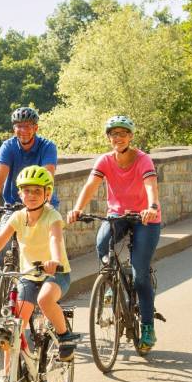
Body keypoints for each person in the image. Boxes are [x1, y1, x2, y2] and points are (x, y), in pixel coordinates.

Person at [66, 115, 163, 352]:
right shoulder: (106, 161)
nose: (117, 138)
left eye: (122, 134)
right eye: (113, 134)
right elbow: (90, 185)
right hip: (118, 216)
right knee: (102, 243)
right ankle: (111, 282)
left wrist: (152, 207)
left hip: (145, 219)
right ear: (109, 138)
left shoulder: (143, 160)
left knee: (140, 276)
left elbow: (150, 186)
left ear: (130, 136)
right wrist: (78, 208)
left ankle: (148, 327)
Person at [0, 166, 79, 362]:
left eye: (37, 190)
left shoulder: (52, 216)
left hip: (55, 274)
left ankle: (64, 337)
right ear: (20, 194)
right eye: (27, 190)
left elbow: (55, 238)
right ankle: (6, 377)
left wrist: (54, 260)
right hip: (28, 276)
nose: (32, 195)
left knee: (45, 300)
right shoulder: (18, 216)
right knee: (15, 325)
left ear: (47, 193)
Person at [0, 106, 60, 221]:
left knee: (48, 237)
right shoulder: (8, 147)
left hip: (42, 204)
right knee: (4, 238)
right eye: (19, 126)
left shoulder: (47, 147)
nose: (23, 130)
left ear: (36, 128)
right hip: (13, 206)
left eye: (27, 126)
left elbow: (48, 177)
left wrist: (46, 201)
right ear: (14, 129)